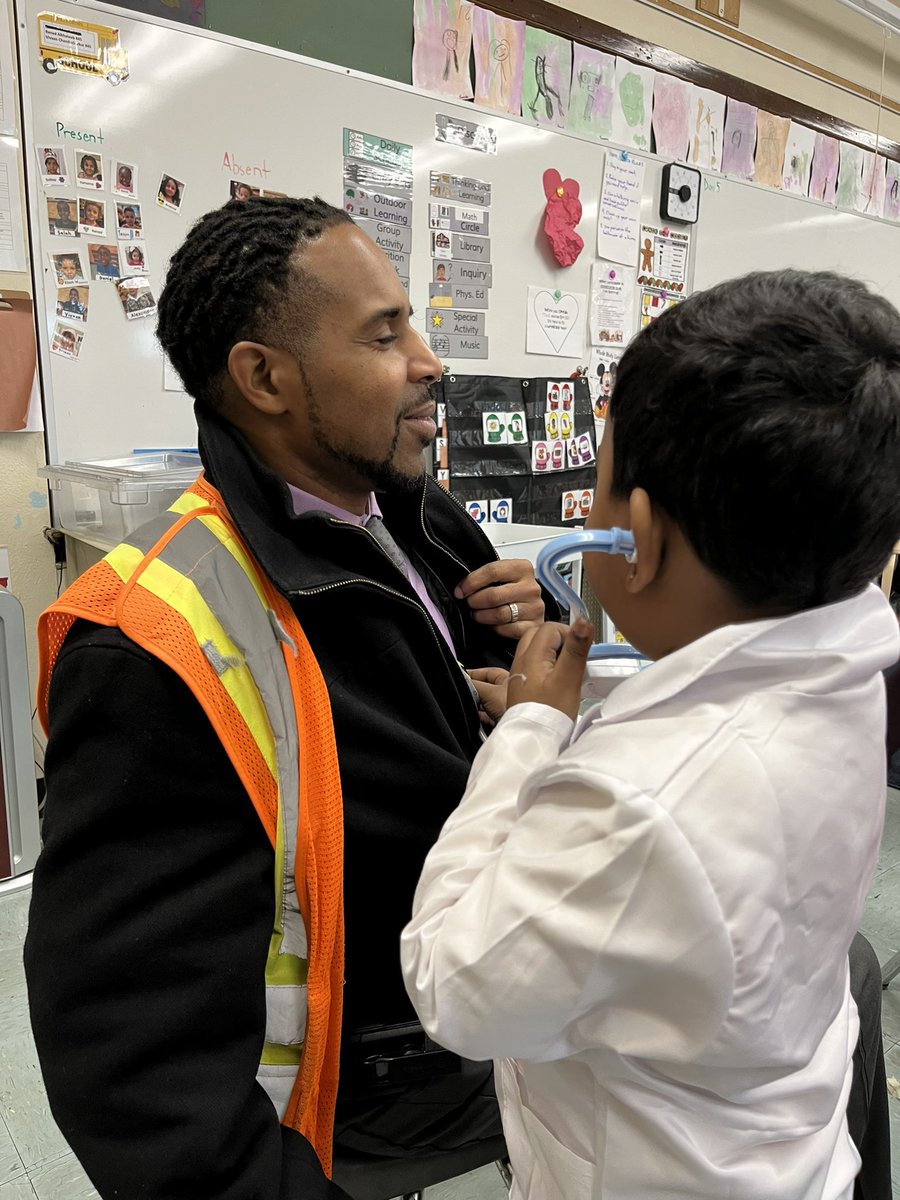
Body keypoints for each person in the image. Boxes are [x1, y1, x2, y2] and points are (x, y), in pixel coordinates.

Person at [25, 195, 550, 1200]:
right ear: (264, 378)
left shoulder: (414, 515)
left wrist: (511, 643)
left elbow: (425, 727)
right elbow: (131, 1057)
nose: (430, 362)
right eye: (385, 334)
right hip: (385, 1072)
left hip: (484, 959)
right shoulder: (150, 645)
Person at [402, 269, 900, 1200]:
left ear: (638, 535)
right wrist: (571, 716)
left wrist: (534, 732)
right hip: (782, 1140)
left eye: (594, 484)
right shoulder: (846, 652)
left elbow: (454, 985)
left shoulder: (642, 803)